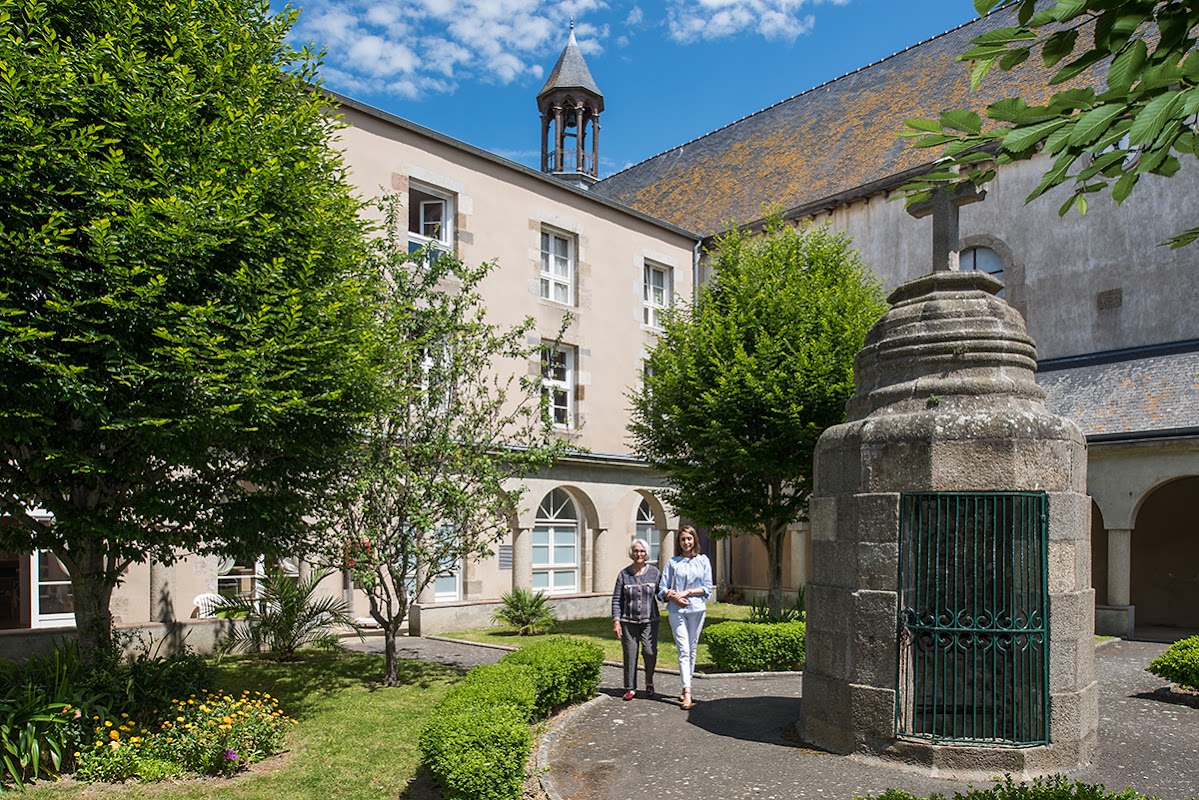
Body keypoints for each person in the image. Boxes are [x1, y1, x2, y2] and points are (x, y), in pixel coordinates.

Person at [658, 525, 712, 710]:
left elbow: (707, 587)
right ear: (679, 542)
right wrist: (673, 596)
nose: (686, 542)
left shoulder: (703, 561)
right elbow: (662, 588)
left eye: (689, 538)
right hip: (676, 611)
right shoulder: (673, 562)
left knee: (692, 648)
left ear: (694, 540)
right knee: (684, 650)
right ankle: (687, 691)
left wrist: (687, 592)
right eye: (683, 539)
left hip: (697, 610)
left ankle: (686, 685)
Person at [611, 538, 661, 701]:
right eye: (636, 551)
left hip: (650, 620)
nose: (639, 554)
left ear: (646, 554)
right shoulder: (624, 574)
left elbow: (662, 593)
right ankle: (630, 687)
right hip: (628, 622)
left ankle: (649, 682)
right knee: (630, 654)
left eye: (642, 551)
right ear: (631, 553)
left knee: (649, 651)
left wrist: (675, 596)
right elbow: (617, 599)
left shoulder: (654, 572)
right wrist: (616, 621)